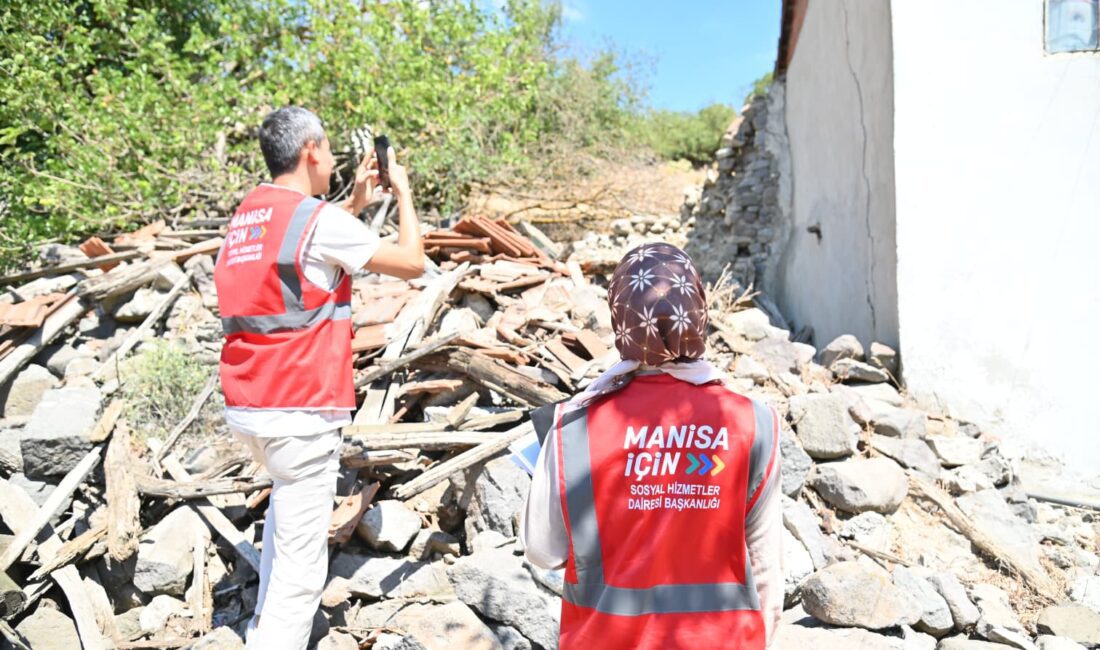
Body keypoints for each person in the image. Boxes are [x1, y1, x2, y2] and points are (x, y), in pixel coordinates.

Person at [213, 106, 424, 649]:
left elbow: (302, 255)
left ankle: (258, 627)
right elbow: (412, 262)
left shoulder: (248, 218)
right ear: (311, 152)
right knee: (303, 568)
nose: (333, 162)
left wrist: (354, 202)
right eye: (328, 151)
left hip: (249, 405)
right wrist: (401, 191)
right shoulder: (318, 221)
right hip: (299, 408)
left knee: (284, 530)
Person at [521, 242, 783, 649]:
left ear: (620, 319)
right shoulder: (752, 421)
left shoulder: (572, 425)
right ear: (698, 313)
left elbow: (542, 550)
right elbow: (767, 570)